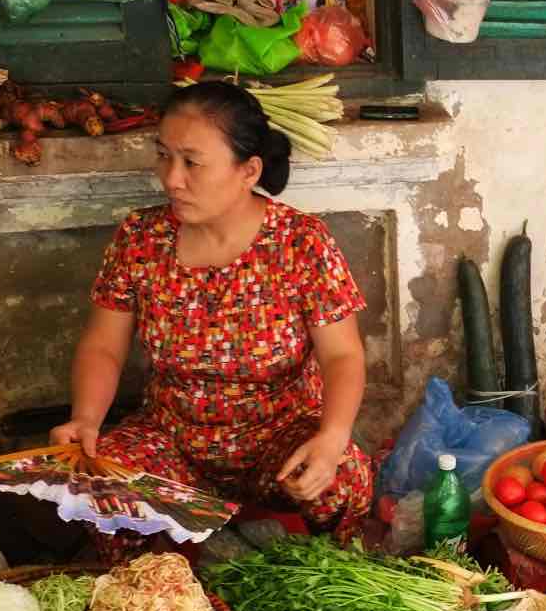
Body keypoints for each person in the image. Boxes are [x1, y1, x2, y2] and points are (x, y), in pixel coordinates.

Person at [52, 81, 373, 560]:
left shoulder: (301, 242)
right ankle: (149, 606)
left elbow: (343, 354)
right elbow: (103, 345)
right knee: (99, 488)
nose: (171, 178)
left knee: (344, 475)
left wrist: (331, 436)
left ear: (249, 171)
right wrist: (86, 418)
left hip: (279, 441)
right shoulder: (140, 238)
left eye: (192, 162)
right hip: (170, 440)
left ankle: (339, 577)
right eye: (163, 156)